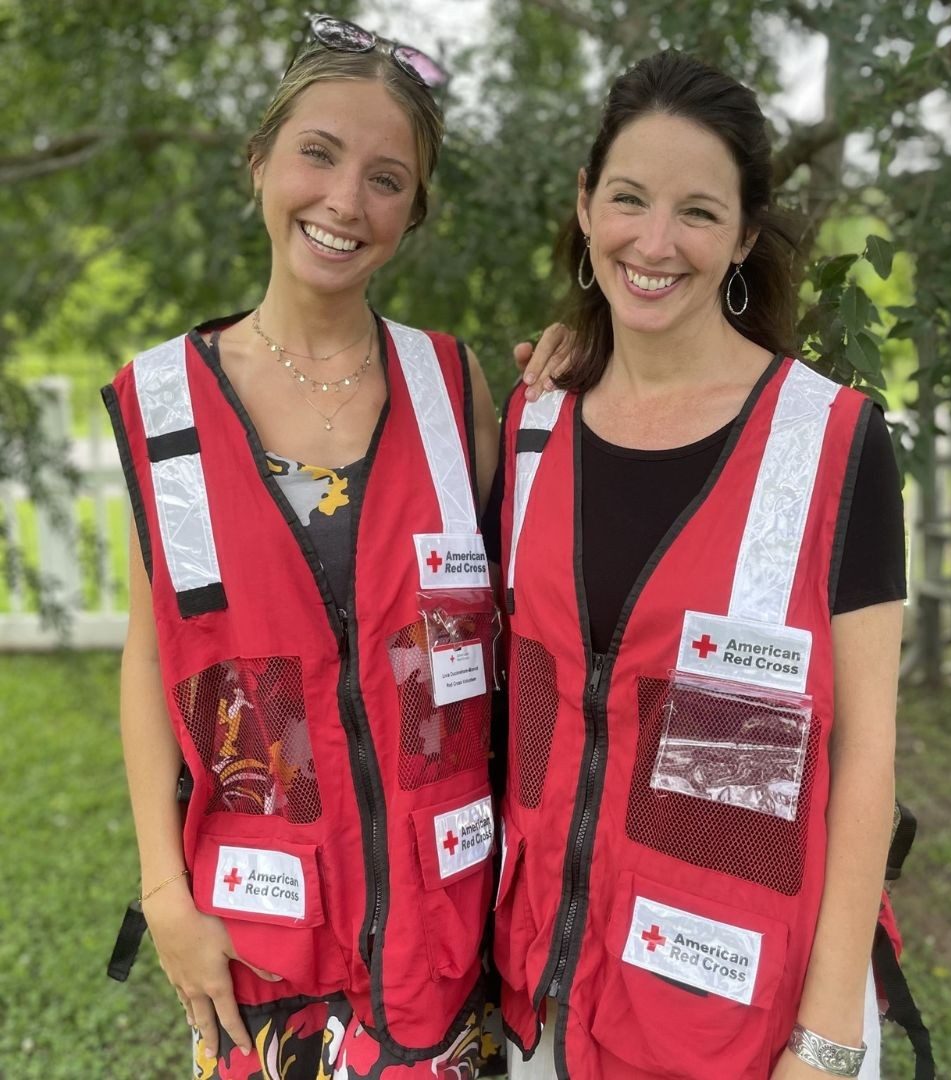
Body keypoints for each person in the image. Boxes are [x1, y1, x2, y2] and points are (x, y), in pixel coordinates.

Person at [103, 17, 508, 1079]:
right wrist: (164, 895)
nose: (344, 202)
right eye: (317, 154)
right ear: (260, 162)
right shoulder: (164, 406)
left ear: (414, 213)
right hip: (261, 952)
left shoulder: (454, 390)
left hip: (448, 945)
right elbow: (154, 655)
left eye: (386, 178)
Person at [490, 51, 908, 1079]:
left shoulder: (835, 444)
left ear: (744, 237)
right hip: (543, 995)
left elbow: (864, 757)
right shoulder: (532, 424)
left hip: (746, 1025)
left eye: (699, 212)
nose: (655, 241)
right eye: (629, 199)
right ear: (588, 207)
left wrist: (825, 1040)